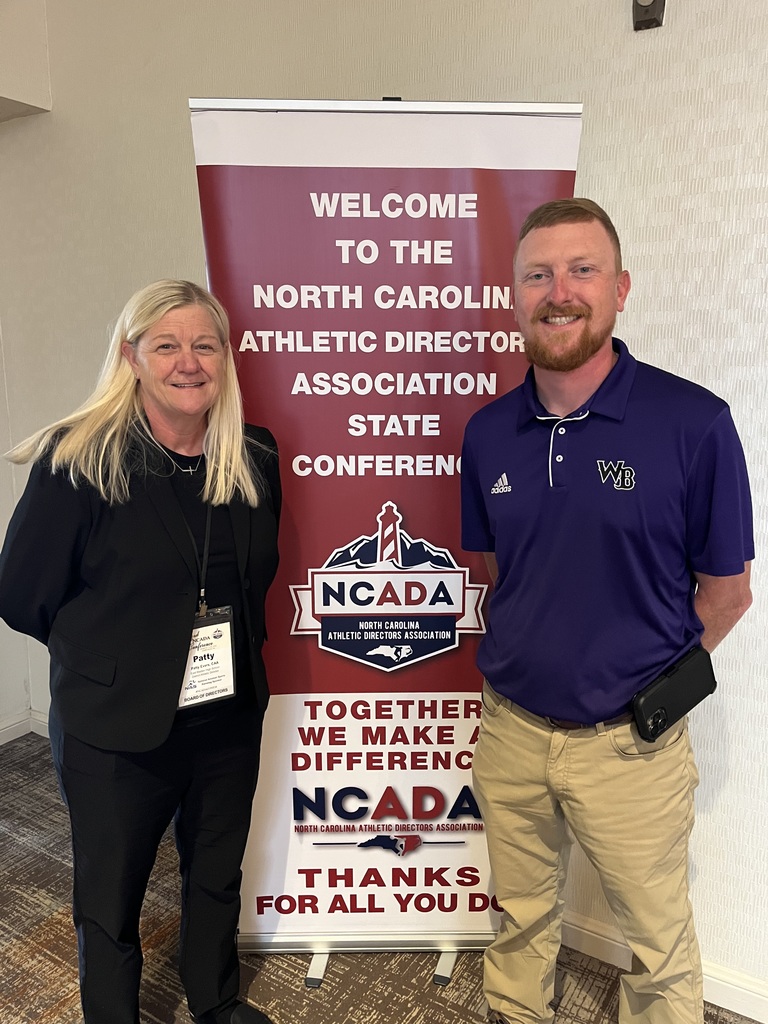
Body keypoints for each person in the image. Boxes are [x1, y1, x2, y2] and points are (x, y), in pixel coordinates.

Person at [460, 199, 753, 1024]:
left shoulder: (695, 424)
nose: (560, 291)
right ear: (514, 296)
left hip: (633, 746)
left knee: (656, 945)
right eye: (539, 274)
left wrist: (645, 688)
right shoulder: (487, 435)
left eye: (582, 270)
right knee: (518, 920)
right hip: (511, 730)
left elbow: (729, 595)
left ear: (620, 288)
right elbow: (498, 570)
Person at [0, 280, 280, 1024]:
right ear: (131, 358)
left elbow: (258, 576)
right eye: (166, 345)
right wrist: (110, 657)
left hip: (226, 718)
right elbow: (21, 593)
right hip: (116, 731)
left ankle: (215, 1000)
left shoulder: (253, 454)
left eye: (205, 344)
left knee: (216, 875)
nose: (188, 362)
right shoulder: (80, 461)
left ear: (226, 357)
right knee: (111, 899)